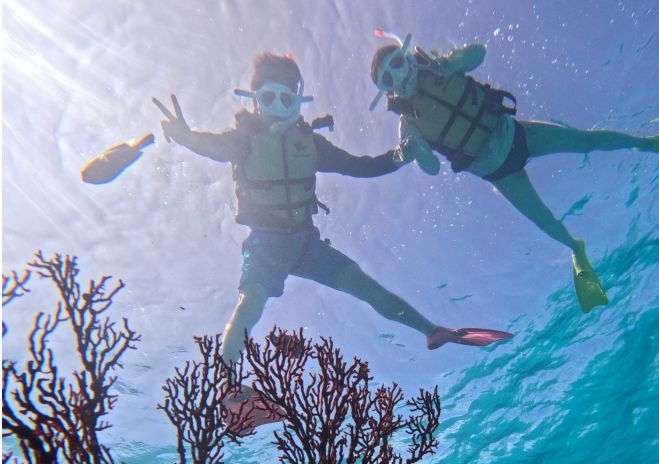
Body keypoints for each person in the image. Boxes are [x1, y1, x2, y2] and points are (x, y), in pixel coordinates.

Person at [152, 52, 513, 365]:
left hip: (309, 246)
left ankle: (433, 331)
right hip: (266, 245)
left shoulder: (311, 144)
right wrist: (186, 137)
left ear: (297, 101)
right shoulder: (242, 141)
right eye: (269, 97)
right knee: (251, 302)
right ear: (255, 101)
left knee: (369, 288)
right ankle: (228, 388)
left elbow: (362, 166)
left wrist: (401, 155)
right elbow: (209, 146)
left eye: (285, 99)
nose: (277, 107)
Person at [368, 31, 659, 313]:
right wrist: (414, 153)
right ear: (387, 92)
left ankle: (650, 143)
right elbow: (431, 169)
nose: (397, 76)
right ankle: (575, 250)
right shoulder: (407, 125)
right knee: (545, 221)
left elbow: (479, 53)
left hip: (517, 135)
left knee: (586, 141)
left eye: (396, 64)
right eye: (387, 79)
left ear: (407, 56)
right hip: (497, 172)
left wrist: (449, 63)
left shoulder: (440, 67)